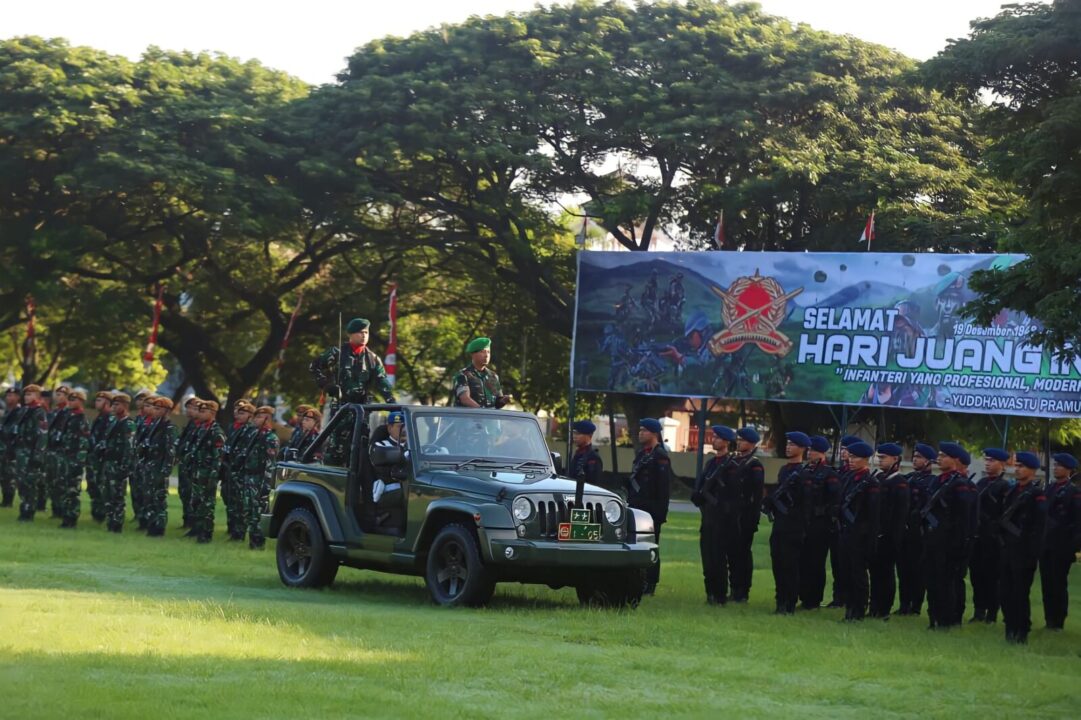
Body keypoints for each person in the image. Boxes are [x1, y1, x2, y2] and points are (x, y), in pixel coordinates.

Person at [922, 441, 976, 630]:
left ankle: (946, 619)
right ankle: (933, 616)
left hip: (949, 540)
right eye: (939, 454)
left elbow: (963, 517)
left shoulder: (959, 484)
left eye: (944, 456)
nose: (939, 458)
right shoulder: (938, 480)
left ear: (955, 460)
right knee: (932, 580)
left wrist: (959, 543)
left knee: (946, 581)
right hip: (932, 538)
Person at [998, 451, 1047, 644]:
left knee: (1020, 593)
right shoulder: (1012, 492)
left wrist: (1031, 554)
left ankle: (1021, 631)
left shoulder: (1037, 496)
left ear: (1032, 470)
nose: (1017, 469)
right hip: (1007, 550)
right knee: (1005, 593)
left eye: (1022, 466)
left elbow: (1039, 526)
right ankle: (1010, 628)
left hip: (1024, 552)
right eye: (1016, 466)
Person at [764, 431, 811, 615]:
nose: (788, 446)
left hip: (794, 525)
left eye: (792, 444)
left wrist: (803, 527)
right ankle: (780, 599)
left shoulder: (804, 474)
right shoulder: (785, 470)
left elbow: (806, 503)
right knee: (778, 562)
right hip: (780, 524)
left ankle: (789, 602)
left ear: (802, 449)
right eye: (788, 443)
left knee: (790, 565)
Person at [625, 418, 671, 595]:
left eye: (644, 430)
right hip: (638, 506)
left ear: (654, 433)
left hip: (651, 511)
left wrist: (660, 513)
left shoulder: (660, 456)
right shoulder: (642, 454)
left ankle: (650, 583)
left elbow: (663, 488)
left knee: (650, 547)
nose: (640, 433)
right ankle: (638, 579)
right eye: (640, 429)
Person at [692, 425, 737, 605]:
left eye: (718, 438)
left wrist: (719, 503)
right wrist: (699, 496)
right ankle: (709, 592)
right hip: (708, 517)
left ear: (726, 442)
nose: (714, 440)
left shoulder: (731, 466)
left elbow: (733, 493)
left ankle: (719, 595)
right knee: (707, 557)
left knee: (718, 559)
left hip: (722, 519)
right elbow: (702, 487)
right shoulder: (711, 464)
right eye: (714, 437)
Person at [837, 441, 881, 621]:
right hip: (846, 532)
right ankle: (849, 606)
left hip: (860, 535)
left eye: (855, 457)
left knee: (858, 574)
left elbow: (873, 514)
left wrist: (869, 538)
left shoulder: (871, 483)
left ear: (865, 459)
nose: (851, 460)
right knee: (845, 571)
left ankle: (859, 609)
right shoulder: (849, 478)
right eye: (851, 456)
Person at [310, 317, 396, 406]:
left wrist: (392, 402)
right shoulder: (336, 353)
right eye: (360, 332)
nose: (364, 335)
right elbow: (314, 366)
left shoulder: (373, 359)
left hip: (362, 409)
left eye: (366, 332)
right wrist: (326, 385)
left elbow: (382, 382)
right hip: (340, 408)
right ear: (350, 334)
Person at [798, 435, 841, 610]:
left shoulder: (829, 474)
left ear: (822, 453)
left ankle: (813, 599)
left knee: (816, 562)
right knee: (803, 561)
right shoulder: (805, 471)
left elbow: (834, 499)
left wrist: (828, 518)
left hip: (820, 523)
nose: (810, 453)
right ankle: (804, 595)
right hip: (804, 521)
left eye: (813, 450)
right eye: (809, 450)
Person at [1040, 453, 1081, 631]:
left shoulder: (1074, 492)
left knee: (1058, 583)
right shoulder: (1049, 488)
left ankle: (1058, 620)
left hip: (1062, 544)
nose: (1056, 468)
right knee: (1047, 583)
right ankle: (1049, 618)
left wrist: (1073, 547)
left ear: (1068, 469)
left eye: (1060, 466)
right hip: (1046, 544)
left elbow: (1077, 521)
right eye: (1055, 465)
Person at [970, 447, 1010, 623]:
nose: (987, 463)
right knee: (976, 575)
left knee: (992, 577)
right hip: (978, 536)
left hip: (993, 538)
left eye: (992, 461)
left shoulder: (1004, 486)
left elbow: (1005, 513)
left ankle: (992, 612)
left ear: (1002, 464)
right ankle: (979, 610)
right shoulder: (981, 483)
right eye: (986, 460)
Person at [869, 443, 909, 619]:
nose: (880, 461)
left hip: (890, 536)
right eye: (879, 457)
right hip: (876, 534)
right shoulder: (879, 479)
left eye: (883, 458)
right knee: (876, 572)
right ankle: (874, 606)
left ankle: (884, 608)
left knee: (886, 573)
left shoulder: (900, 483)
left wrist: (893, 536)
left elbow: (899, 515)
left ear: (895, 459)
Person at [897, 442, 936, 615]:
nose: (915, 459)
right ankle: (904, 603)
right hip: (904, 529)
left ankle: (916, 605)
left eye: (919, 457)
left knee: (917, 570)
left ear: (929, 461)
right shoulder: (908, 478)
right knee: (903, 569)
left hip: (919, 532)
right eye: (914, 456)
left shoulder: (932, 481)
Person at [827, 434, 863, 608]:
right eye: (842, 449)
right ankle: (839, 596)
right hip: (837, 524)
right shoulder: (842, 473)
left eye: (847, 450)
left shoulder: (856, 476)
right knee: (837, 563)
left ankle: (849, 598)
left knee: (849, 566)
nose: (843, 453)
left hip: (851, 527)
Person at [730, 426, 764, 602]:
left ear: (751, 444)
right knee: (733, 553)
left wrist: (753, 517)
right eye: (739, 439)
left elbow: (757, 494)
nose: (739, 443)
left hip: (746, 516)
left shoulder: (754, 465)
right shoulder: (736, 461)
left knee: (743, 553)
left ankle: (743, 590)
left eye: (742, 440)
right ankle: (734, 587)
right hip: (733, 514)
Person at [242, 405, 279, 549]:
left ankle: (258, 542)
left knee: (259, 511)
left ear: (266, 419)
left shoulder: (271, 438)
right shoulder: (253, 435)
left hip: (260, 478)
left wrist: (266, 484)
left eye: (258, 417)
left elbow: (270, 463)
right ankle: (252, 540)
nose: (255, 419)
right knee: (249, 510)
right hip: (249, 476)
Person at [190, 400, 226, 543]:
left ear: (212, 413)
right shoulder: (201, 429)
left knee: (207, 504)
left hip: (208, 474)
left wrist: (213, 476)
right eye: (200, 411)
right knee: (196, 502)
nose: (200, 413)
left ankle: (206, 533)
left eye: (203, 411)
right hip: (198, 472)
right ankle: (199, 529)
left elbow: (218, 457)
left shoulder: (216, 432)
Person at [142, 397, 178, 536]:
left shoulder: (169, 428)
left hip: (159, 468)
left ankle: (159, 527)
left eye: (158, 409)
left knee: (159, 499)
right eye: (153, 408)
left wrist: (165, 471)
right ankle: (152, 525)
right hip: (150, 466)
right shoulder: (154, 425)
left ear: (166, 411)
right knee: (149, 498)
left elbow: (171, 452)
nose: (154, 411)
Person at [101, 393, 137, 533]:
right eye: (113, 404)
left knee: (117, 496)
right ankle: (110, 522)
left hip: (119, 463)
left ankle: (117, 524)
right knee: (108, 494)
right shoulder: (113, 421)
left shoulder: (129, 424)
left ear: (125, 406)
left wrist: (125, 467)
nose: (114, 407)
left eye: (117, 405)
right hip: (109, 462)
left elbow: (129, 448)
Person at [56, 389, 90, 528]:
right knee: (65, 489)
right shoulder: (69, 416)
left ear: (81, 402)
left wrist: (79, 461)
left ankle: (72, 517)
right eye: (69, 399)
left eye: (74, 399)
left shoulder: (81, 418)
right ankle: (66, 516)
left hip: (74, 459)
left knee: (73, 490)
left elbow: (84, 442)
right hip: (65, 457)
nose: (71, 402)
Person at [223, 400, 257, 541]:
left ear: (250, 415)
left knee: (241, 503)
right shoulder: (233, 427)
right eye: (238, 412)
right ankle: (233, 529)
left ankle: (239, 532)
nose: (238, 415)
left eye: (242, 413)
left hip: (241, 470)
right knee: (231, 500)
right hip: (230, 467)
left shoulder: (250, 430)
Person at [13, 384, 48, 521]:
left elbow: (42, 435)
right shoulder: (24, 410)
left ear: (37, 396)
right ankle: (24, 509)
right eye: (26, 394)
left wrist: (38, 455)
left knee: (30, 482)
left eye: (30, 394)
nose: (27, 397)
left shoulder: (39, 412)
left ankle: (29, 511)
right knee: (21, 482)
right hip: (21, 451)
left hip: (31, 452)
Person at [452, 337, 511, 408]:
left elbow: (497, 403)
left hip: (489, 418)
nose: (486, 355)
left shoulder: (493, 376)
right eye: (482, 352)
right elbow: (465, 399)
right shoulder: (463, 374)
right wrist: (483, 412)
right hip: (467, 418)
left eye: (488, 352)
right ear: (473, 354)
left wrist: (503, 400)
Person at [85, 391, 114, 522]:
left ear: (107, 403)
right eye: (96, 400)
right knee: (93, 486)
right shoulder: (99, 418)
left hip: (102, 459)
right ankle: (96, 513)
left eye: (100, 400)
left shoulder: (110, 419)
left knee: (101, 486)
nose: (96, 403)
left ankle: (102, 513)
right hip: (93, 458)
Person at [42, 385, 71, 514]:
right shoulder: (53, 412)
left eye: (60, 395)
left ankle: (62, 508)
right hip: (50, 450)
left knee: (61, 481)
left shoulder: (69, 413)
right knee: (50, 480)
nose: (57, 397)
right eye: (56, 394)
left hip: (61, 451)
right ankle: (55, 508)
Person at [173, 396, 201, 528]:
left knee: (193, 494)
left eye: (194, 408)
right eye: (188, 407)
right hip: (185, 464)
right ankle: (187, 520)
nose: (190, 411)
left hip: (194, 466)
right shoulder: (189, 425)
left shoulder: (201, 427)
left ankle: (194, 522)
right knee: (184, 492)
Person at [1, 387, 24, 507]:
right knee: (3, 474)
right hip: (3, 447)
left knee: (9, 475)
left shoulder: (19, 412)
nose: (9, 397)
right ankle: (5, 500)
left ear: (18, 397)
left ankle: (8, 500)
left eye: (12, 395)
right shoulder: (6, 412)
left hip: (12, 448)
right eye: (8, 395)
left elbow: (15, 430)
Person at [569, 420, 603, 488]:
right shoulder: (578, 454)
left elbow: (593, 483)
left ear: (589, 436)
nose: (574, 436)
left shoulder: (593, 457)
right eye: (574, 433)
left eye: (578, 433)